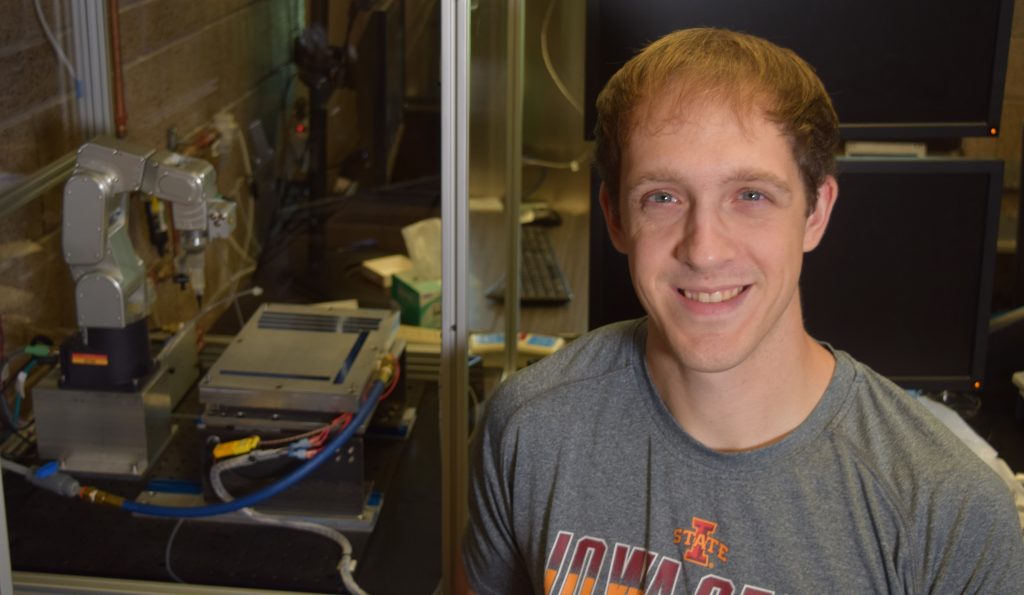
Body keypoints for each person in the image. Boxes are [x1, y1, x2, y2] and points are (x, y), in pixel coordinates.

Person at [461, 27, 1024, 594]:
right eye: (662, 197)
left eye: (751, 195)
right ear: (614, 218)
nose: (704, 249)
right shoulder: (528, 430)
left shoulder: (949, 511)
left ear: (815, 212)